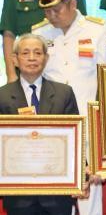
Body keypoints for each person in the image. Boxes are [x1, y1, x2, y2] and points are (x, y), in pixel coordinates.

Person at [31, 0, 106, 215]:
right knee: (54, 196)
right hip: (52, 126)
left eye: (56, 9)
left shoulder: (97, 29)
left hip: (89, 125)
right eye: (47, 10)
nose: (51, 16)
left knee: (89, 199)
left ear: (73, 5)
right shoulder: (39, 33)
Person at [0, 33, 79, 215]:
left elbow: (75, 138)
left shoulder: (63, 93)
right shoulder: (2, 96)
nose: (32, 58)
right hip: (19, 193)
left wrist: (82, 171)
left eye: (38, 53)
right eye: (26, 53)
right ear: (15, 59)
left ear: (46, 58)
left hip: (57, 193)